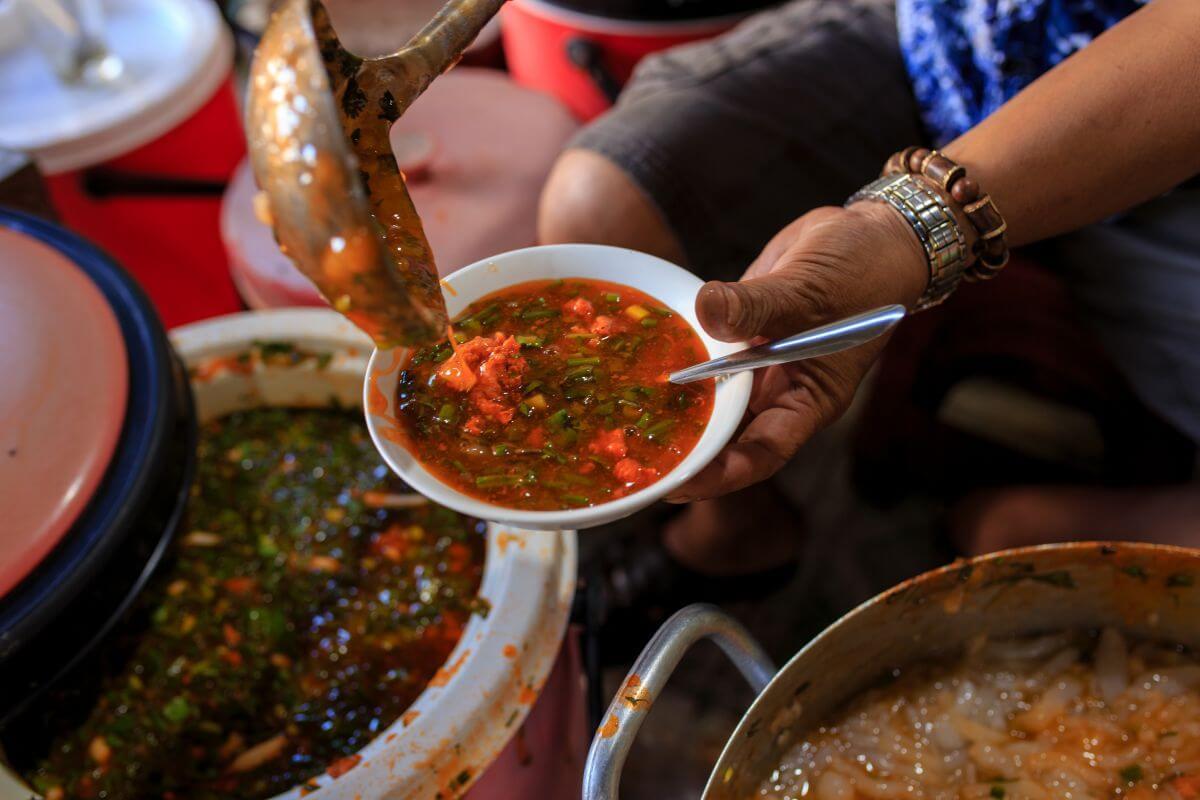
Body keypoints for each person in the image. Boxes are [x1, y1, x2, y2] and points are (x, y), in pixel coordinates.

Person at [538, 0, 1200, 587]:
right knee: (605, 206)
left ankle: (1132, 520)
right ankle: (738, 536)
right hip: (959, 29)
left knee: (1014, 529)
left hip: (1172, 99)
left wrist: (911, 227)